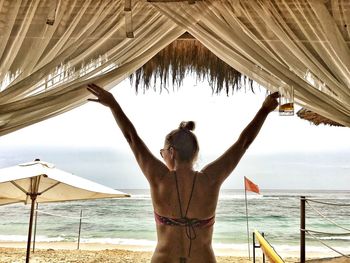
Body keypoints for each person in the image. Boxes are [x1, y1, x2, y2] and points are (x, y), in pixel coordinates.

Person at [87, 83, 279, 263]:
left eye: (162, 153)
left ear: (171, 152)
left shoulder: (159, 178)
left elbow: (132, 138)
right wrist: (264, 110)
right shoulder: (210, 179)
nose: (162, 157)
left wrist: (113, 105)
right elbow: (243, 143)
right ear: (195, 153)